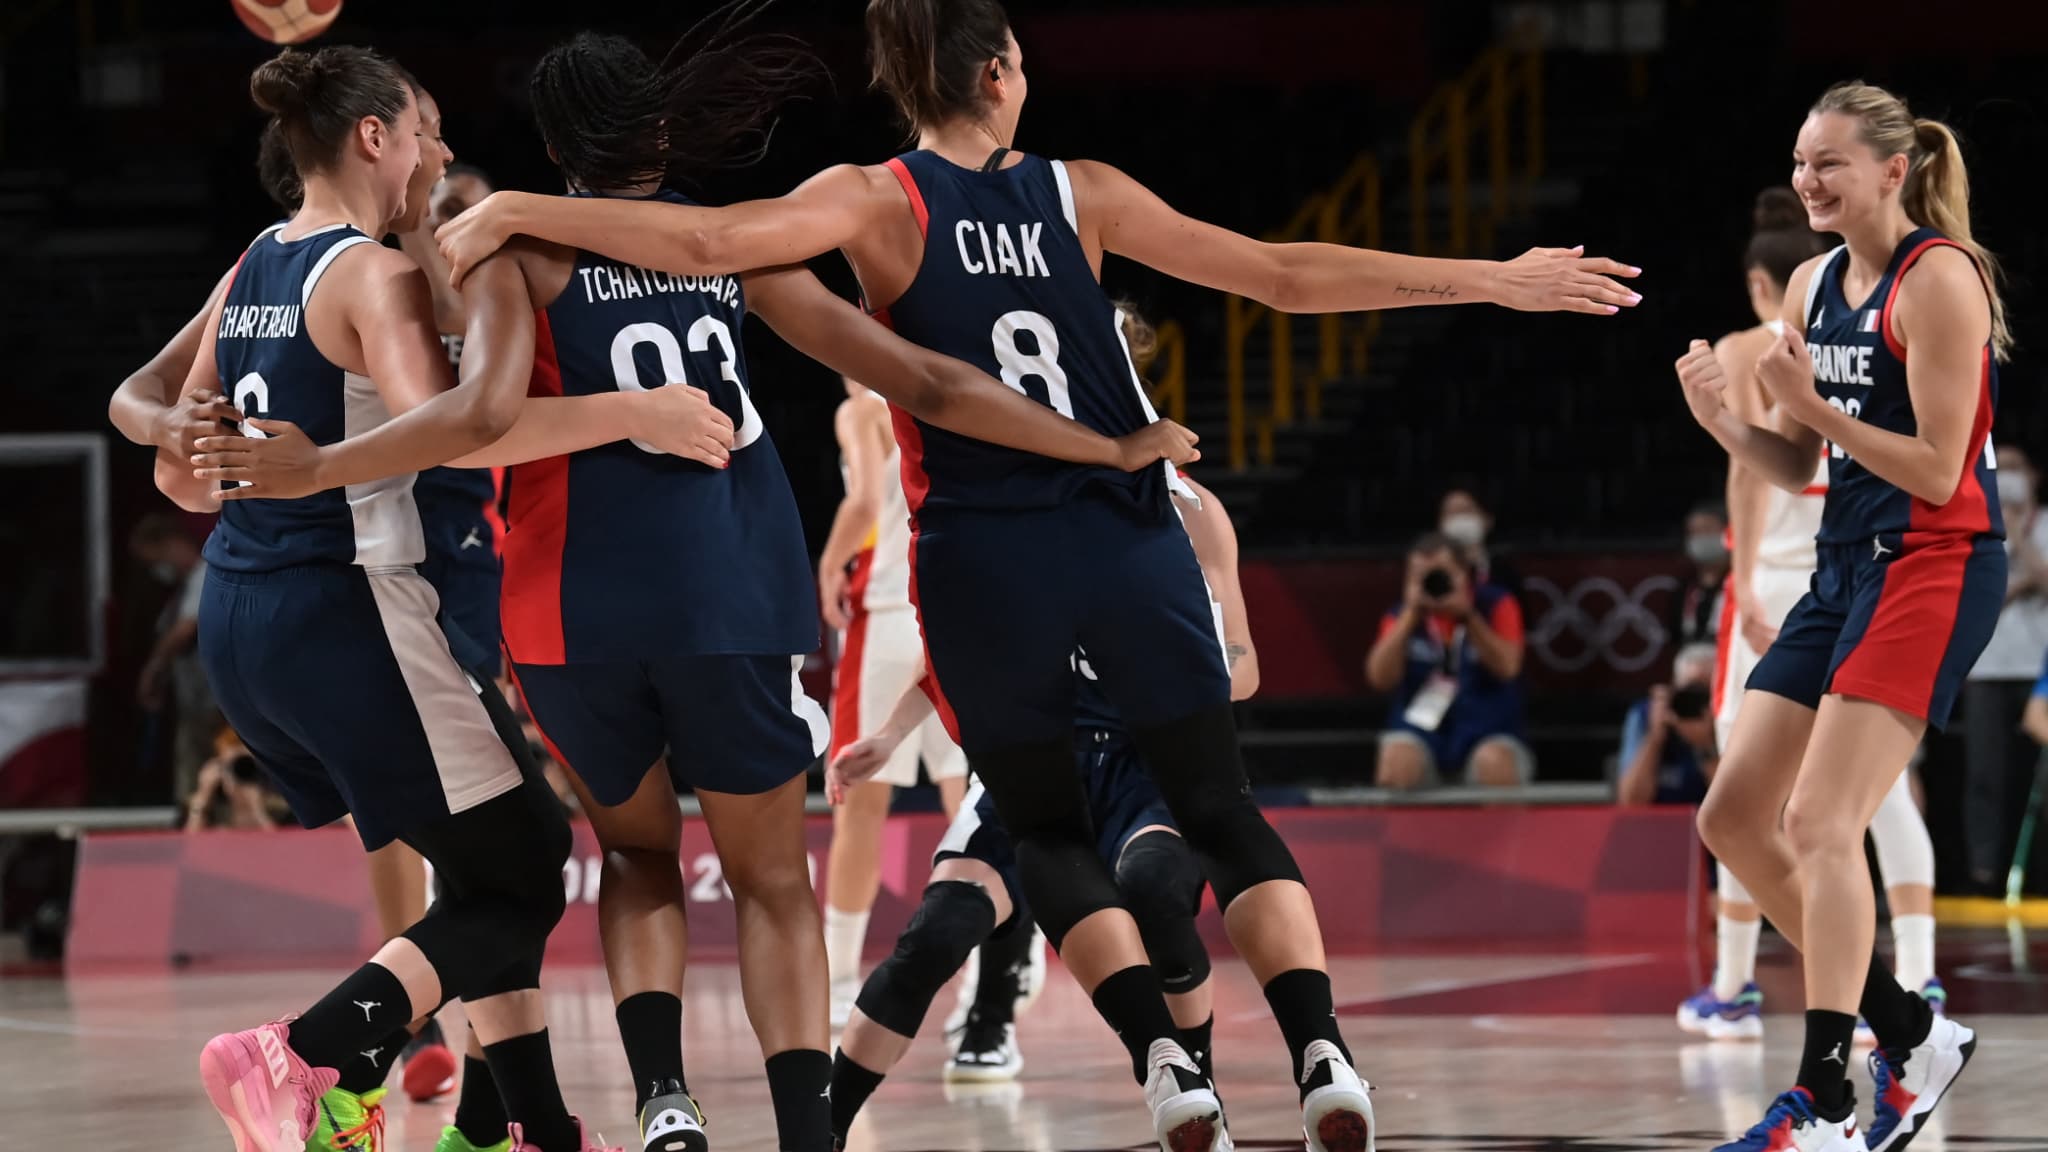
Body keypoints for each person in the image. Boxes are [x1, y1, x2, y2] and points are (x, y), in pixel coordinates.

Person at [432, 5, 1639, 1144]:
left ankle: (1149, 1063)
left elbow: (679, 265)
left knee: (1038, 829)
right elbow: (1275, 276)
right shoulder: (1083, 190)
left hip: (954, 558)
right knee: (1215, 811)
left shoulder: (861, 199)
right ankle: (1318, 1052)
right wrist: (1490, 278)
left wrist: (510, 211)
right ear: (1000, 70)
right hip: (1103, 535)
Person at [204, 23, 1199, 1152]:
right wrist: (1099, 442)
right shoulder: (729, 252)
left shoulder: (516, 255)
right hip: (725, 598)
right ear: (663, 135)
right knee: (771, 881)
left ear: (554, 151)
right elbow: (923, 380)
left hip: (570, 611)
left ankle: (662, 1104)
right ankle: (802, 1134)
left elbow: (472, 421)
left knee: (635, 860)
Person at [151, 45, 612, 1152]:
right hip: (352, 609)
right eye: (421, 133)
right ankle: (309, 1055)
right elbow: (460, 431)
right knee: (526, 866)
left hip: (245, 614)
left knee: (488, 867)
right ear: (374, 138)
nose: (433, 154)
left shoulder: (256, 262)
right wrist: (632, 414)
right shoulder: (374, 273)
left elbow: (178, 474)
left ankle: (521, 1134)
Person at [1674, 80, 2003, 1152]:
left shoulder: (1939, 278)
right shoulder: (1813, 283)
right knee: (1732, 819)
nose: (1807, 180)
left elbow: (1938, 469)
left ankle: (1824, 1097)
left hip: (1935, 563)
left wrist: (1810, 404)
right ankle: (1908, 1030)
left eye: (1829, 163)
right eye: (1799, 161)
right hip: (1842, 566)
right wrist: (1725, 425)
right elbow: (1799, 462)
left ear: (1892, 171)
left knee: (1821, 823)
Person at [823, 465, 1252, 1145]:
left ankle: (1197, 1094)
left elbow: (1243, 669)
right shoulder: (1016, 509)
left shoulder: (1189, 509)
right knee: (937, 932)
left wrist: (1173, 669)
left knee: (1157, 892)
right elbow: (958, 656)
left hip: (1142, 767)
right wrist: (887, 737)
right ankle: (820, 1129)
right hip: (1034, 762)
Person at [1691, 187, 1943, 1048]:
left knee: (1755, 800)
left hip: (1794, 577)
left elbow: (1753, 476)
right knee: (1874, 798)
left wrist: (1741, 587)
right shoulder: (1850, 325)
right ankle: (1918, 972)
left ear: (1760, 282)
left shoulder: (1753, 346)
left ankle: (1734, 984)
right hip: (1857, 566)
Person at [818, 375, 973, 1026]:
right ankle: (986, 985)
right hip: (947, 607)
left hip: (885, 611)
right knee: (968, 804)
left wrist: (829, 565)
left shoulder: (862, 410)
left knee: (858, 802)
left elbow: (861, 502)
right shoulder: (940, 392)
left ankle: (837, 982)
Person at [1366, 532, 1530, 790]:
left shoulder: (1496, 604)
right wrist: (1411, 616)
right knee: (1397, 761)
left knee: (1494, 762)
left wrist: (1468, 617)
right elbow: (1379, 679)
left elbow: (1508, 668)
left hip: (1488, 730)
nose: (1430, 583)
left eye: (1439, 575)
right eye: (1419, 576)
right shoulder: (1399, 615)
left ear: (1463, 574)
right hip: (1421, 730)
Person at [1962, 445, 2048, 894]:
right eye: (2003, 468)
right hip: (1986, 667)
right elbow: (1970, 590)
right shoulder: (1976, 524)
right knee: (1985, 774)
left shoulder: (2044, 524)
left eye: (2018, 468)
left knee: (2040, 774)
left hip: (2040, 667)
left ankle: (2039, 871)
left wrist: (2022, 537)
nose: (2010, 476)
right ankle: (1984, 873)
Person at [126, 514, 218, 806]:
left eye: (155, 560)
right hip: (196, 704)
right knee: (194, 786)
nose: (156, 569)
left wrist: (154, 668)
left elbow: (185, 629)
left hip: (218, 705)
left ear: (172, 544)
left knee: (223, 782)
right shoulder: (182, 589)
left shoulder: (208, 574)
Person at [1616, 643, 1719, 809]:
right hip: (1656, 822)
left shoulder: (1728, 718)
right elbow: (1632, 801)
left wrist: (1705, 746)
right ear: (1675, 687)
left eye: (1705, 692)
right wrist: (1655, 736)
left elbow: (1734, 803)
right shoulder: (1647, 714)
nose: (1696, 702)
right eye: (1690, 690)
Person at [1675, 501, 1731, 649]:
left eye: (1707, 529)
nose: (1701, 537)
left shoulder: (1741, 584)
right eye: (1694, 532)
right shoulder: (1684, 588)